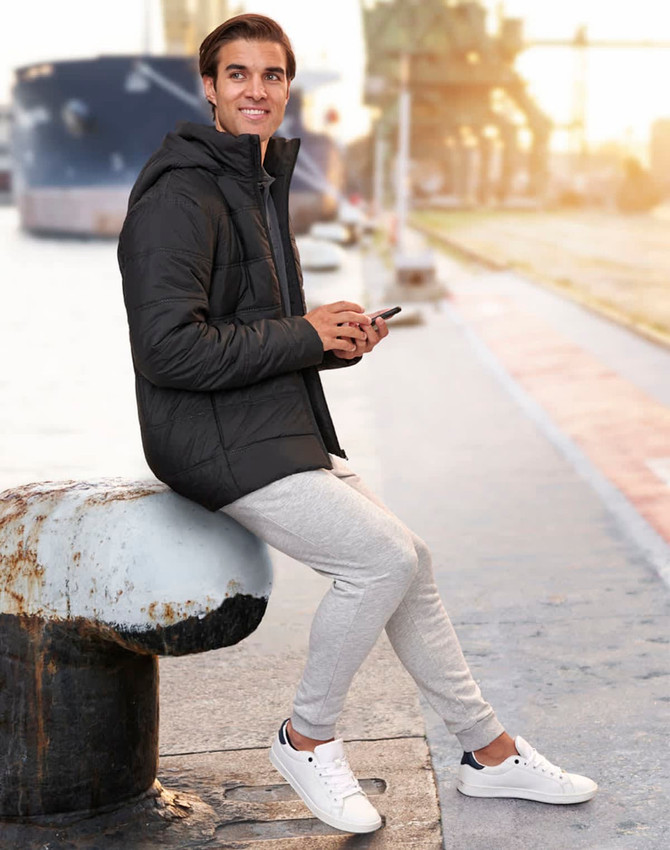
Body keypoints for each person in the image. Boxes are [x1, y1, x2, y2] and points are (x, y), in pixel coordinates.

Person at [117, 13, 598, 835]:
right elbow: (168, 351)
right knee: (380, 560)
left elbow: (261, 333)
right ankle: (306, 738)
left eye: (272, 75)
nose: (257, 90)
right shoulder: (180, 194)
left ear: (287, 88)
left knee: (414, 561)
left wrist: (334, 341)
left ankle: (488, 753)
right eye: (238, 74)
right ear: (209, 88)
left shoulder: (256, 184)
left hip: (271, 421)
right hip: (208, 438)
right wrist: (305, 334)